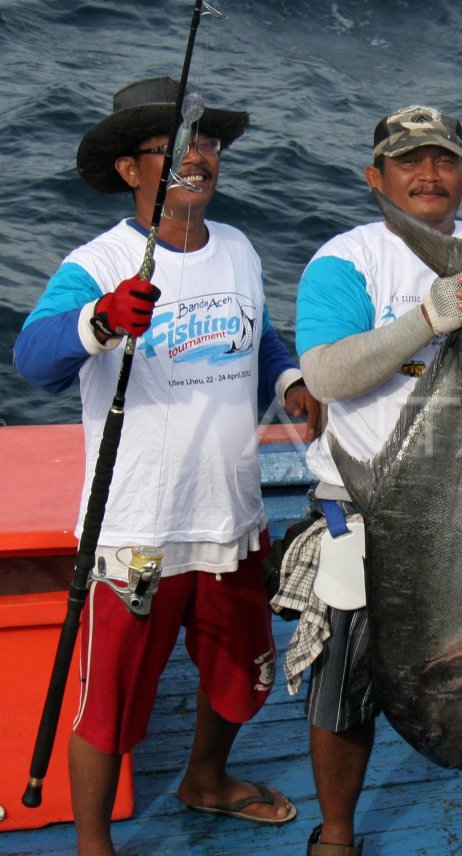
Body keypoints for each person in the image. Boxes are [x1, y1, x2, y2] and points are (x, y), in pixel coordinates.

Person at [13, 76, 321, 855]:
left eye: (208, 142)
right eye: (177, 144)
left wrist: (289, 385)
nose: (199, 157)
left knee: (235, 677)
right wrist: (99, 319)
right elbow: (33, 358)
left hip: (232, 518)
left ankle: (206, 780)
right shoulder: (99, 261)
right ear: (131, 170)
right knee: (109, 703)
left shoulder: (242, 249)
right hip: (134, 532)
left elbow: (260, 341)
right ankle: (92, 844)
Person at [290, 104, 462, 856]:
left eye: (443, 160)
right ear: (375, 178)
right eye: (409, 161)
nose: (429, 174)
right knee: (343, 698)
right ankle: (339, 838)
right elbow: (324, 373)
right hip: (376, 516)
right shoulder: (345, 261)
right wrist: (427, 318)